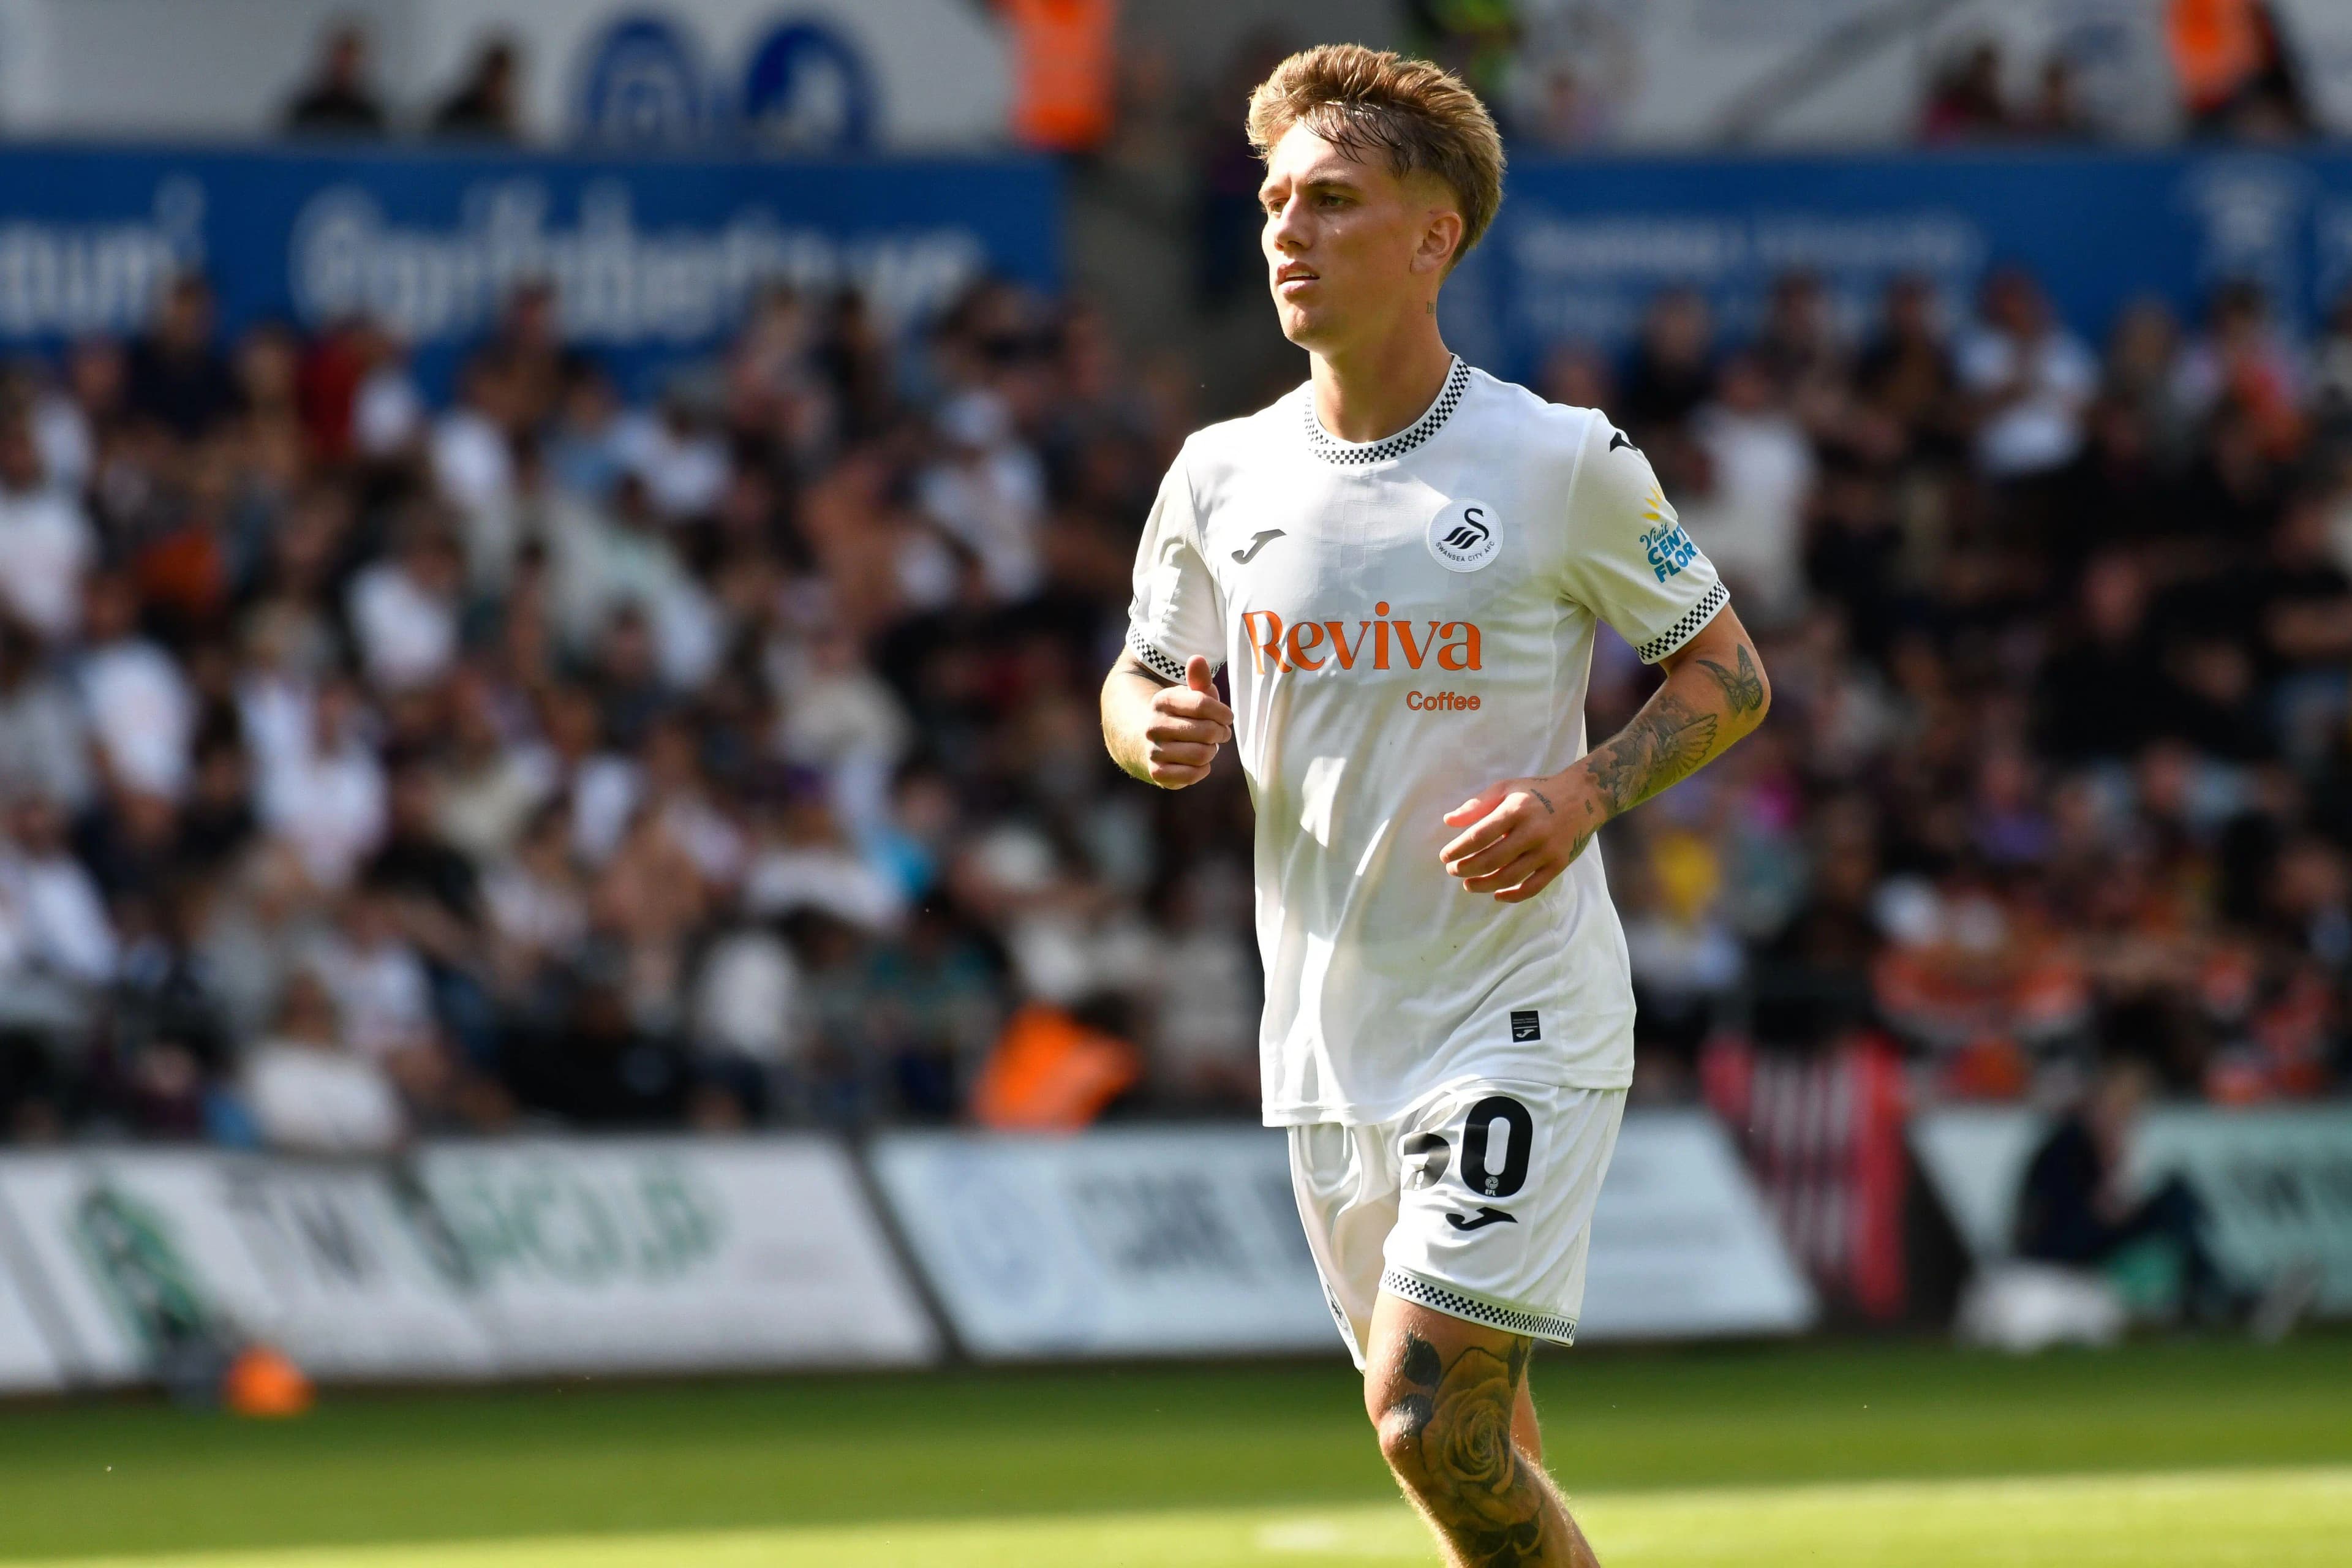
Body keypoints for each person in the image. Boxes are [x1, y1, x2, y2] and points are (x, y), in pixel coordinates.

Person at [1097, 45, 1770, 1568]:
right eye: (1274, 198)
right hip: (1330, 1038)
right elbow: (1132, 687)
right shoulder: (1217, 476)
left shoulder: (1558, 460)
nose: (1286, 228)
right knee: (1477, 1452)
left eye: (1331, 199)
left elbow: (1730, 676)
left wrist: (1584, 793)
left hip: (1517, 1009)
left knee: (1423, 1416)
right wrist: (1158, 731)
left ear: (1431, 237)